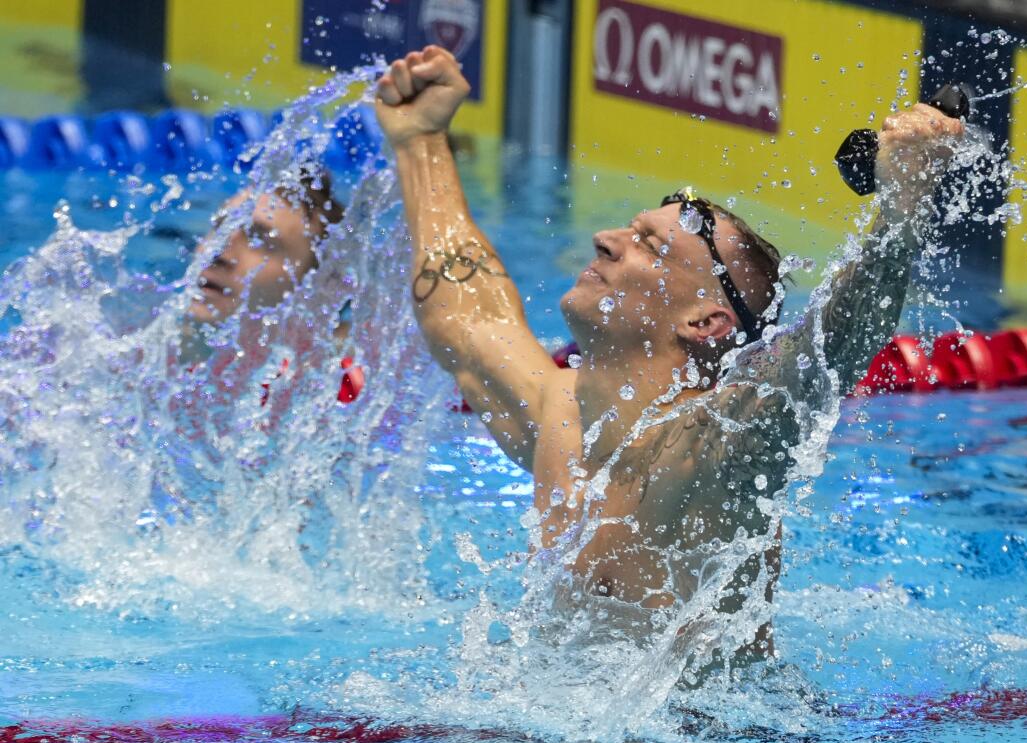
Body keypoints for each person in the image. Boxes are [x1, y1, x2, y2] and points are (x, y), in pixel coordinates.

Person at [374, 47, 964, 655]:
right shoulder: (564, 417)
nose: (605, 240)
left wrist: (903, 207)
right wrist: (422, 143)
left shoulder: (715, 447)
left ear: (704, 321)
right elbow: (468, 316)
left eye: (645, 246)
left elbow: (829, 350)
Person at [180, 169, 364, 403]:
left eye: (258, 240)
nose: (216, 252)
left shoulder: (346, 393)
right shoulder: (149, 358)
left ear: (326, 284)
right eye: (221, 228)